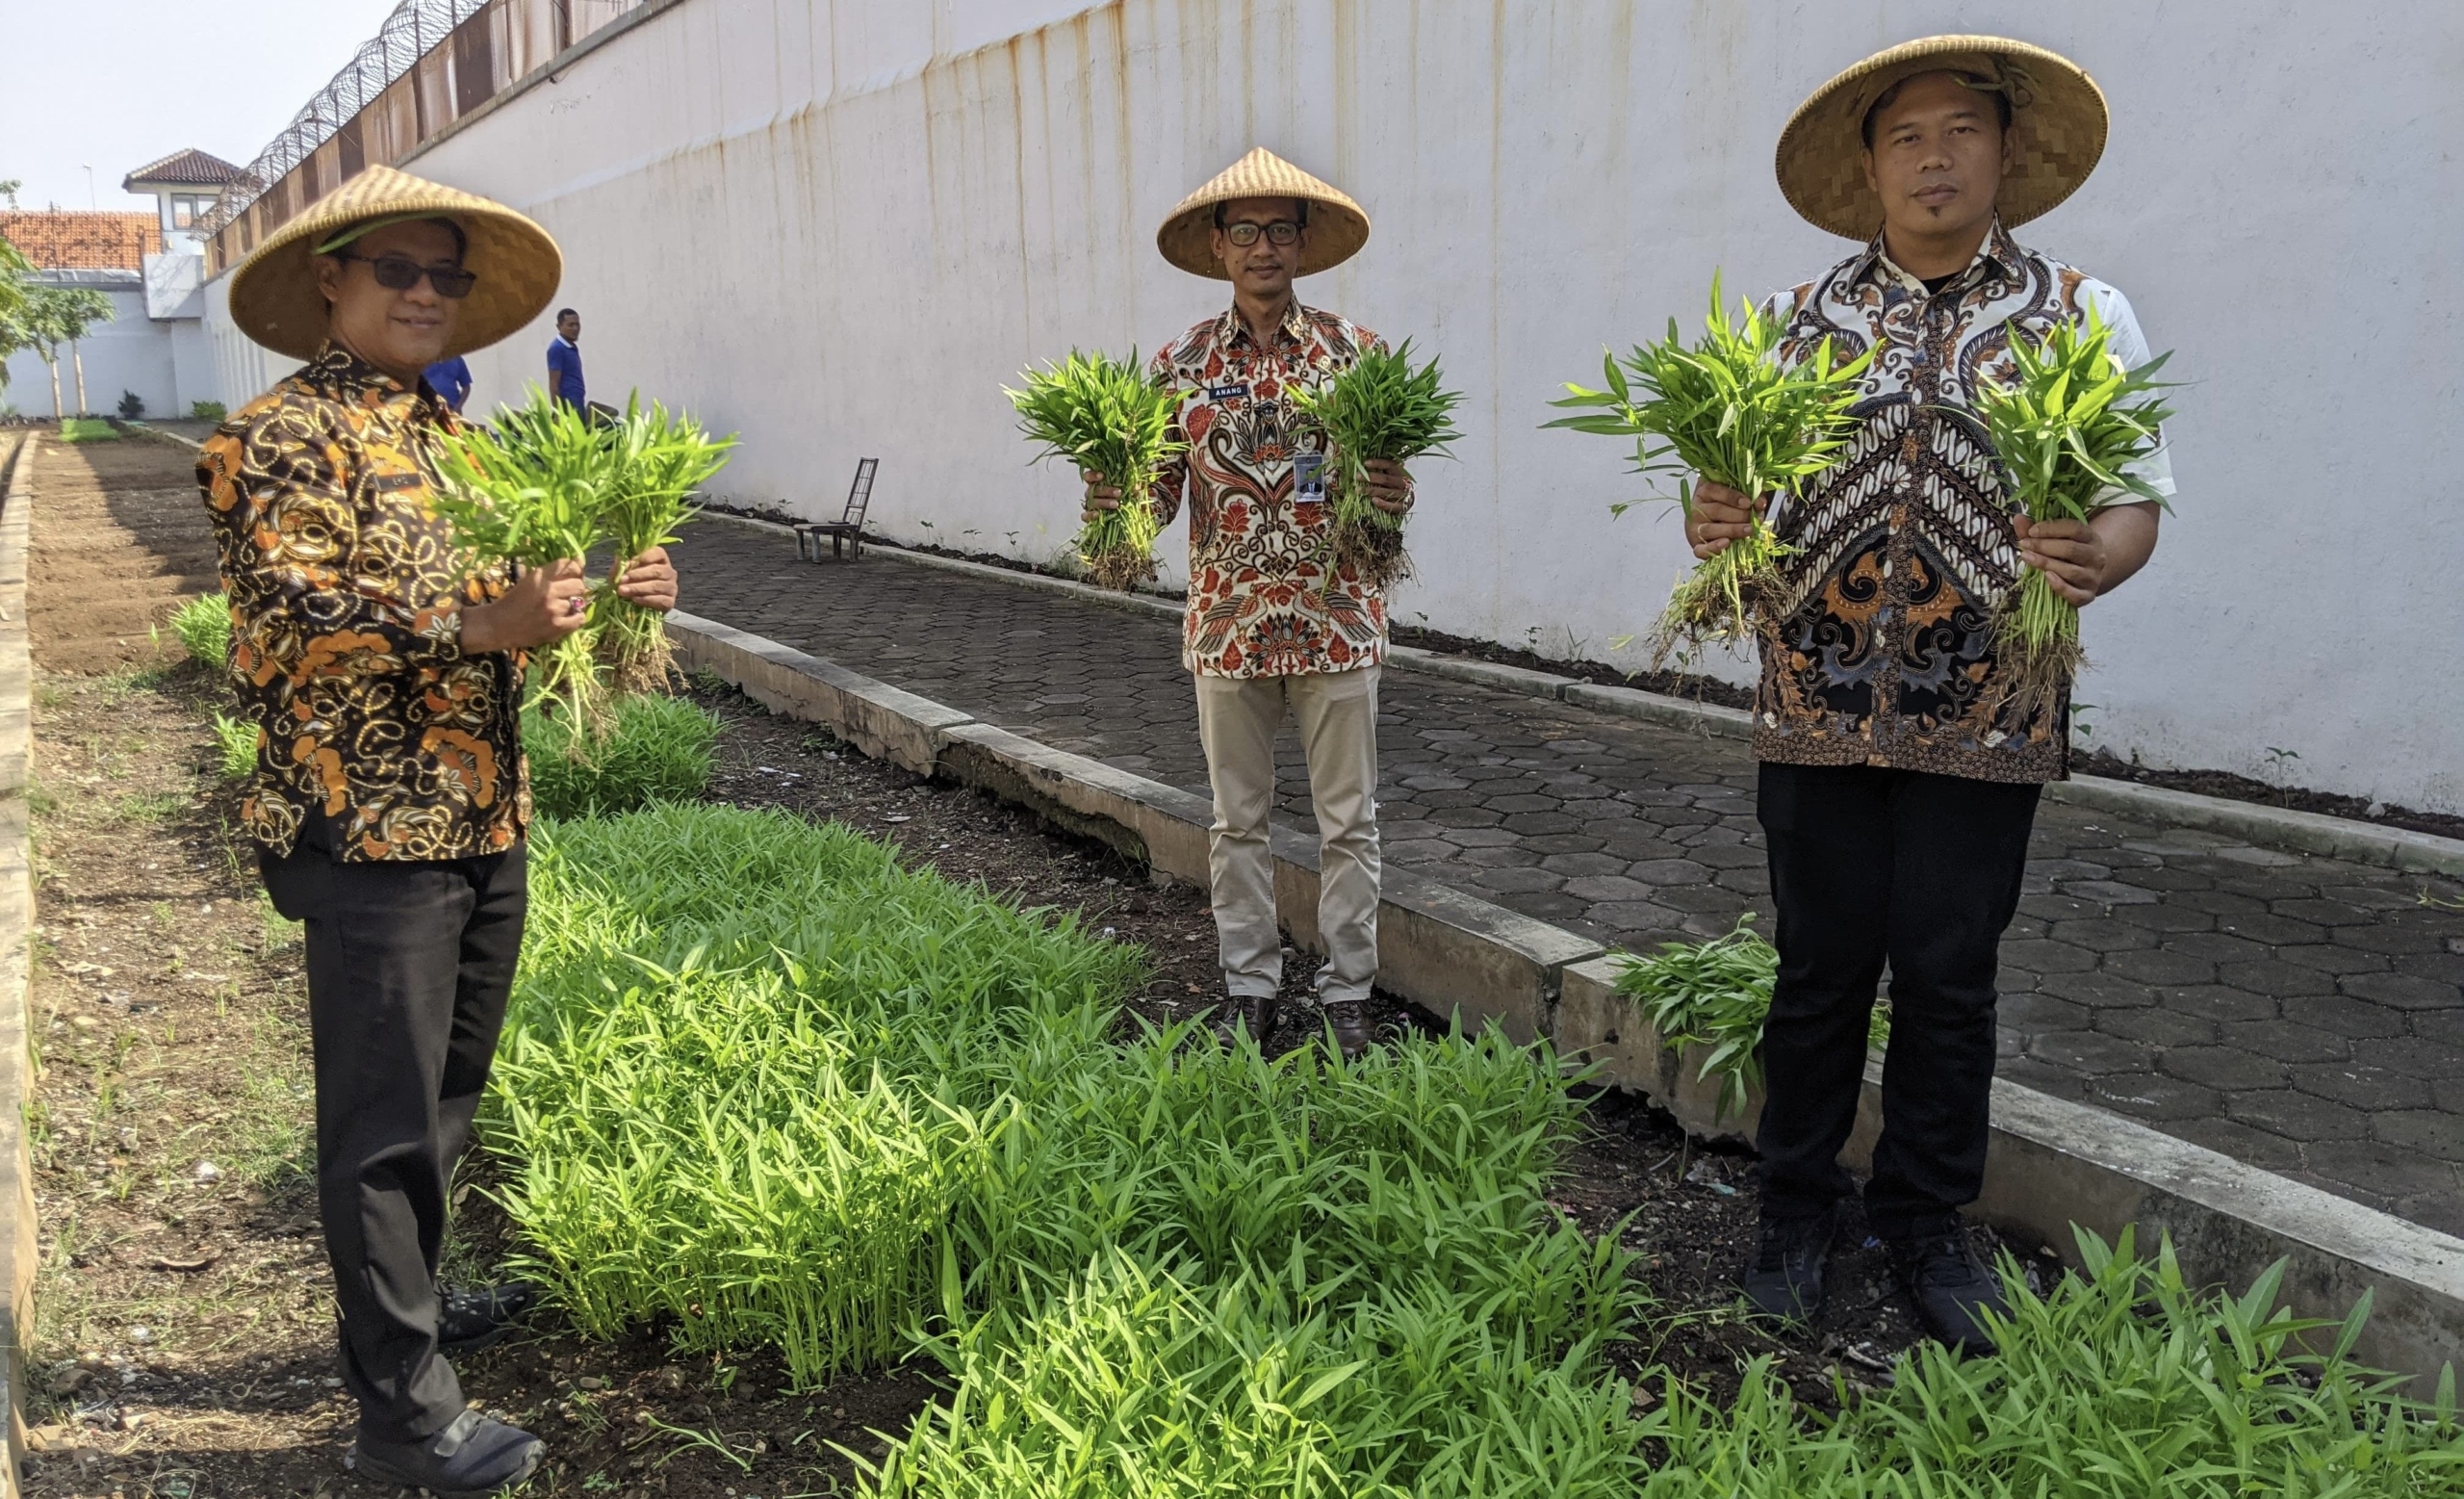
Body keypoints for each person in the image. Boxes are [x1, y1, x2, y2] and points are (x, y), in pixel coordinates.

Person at [1683, 38, 2172, 1356]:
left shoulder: (2084, 312)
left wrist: (2094, 560)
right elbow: (1723, 501)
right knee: (1818, 969)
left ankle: (1924, 1224)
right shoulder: (1789, 324)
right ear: (1870, 164)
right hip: (1816, 701)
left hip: (1988, 705)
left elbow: (2134, 505)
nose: (1937, 155)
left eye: (1964, 130)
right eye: (1909, 135)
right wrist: (1712, 514)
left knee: (1951, 978)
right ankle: (1795, 1212)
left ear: (2010, 153)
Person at [199, 165, 680, 1494]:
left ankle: (416, 1297)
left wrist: (619, 590)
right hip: (367, 829)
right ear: (330, 282)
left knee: (445, 1096)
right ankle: (403, 1421)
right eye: (397, 270)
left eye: (445, 276)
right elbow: (287, 627)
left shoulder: (456, 436)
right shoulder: (280, 436)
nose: (424, 294)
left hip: (478, 810)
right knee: (379, 1120)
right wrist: (480, 625)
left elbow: (523, 600)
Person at [1085, 148, 1414, 1059]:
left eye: (1279, 230)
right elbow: (1152, 498)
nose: (1263, 247)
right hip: (1227, 628)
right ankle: (1252, 987)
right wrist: (1111, 501)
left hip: (1338, 620)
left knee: (1350, 823)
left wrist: (1389, 493)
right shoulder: (1179, 364)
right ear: (1219, 246)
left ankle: (1349, 992)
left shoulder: (1359, 357)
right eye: (1245, 231)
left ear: (1304, 244)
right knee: (1238, 824)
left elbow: (1392, 492)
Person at [546, 306, 583, 408]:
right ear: (559, 326)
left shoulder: (571, 347)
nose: (575, 328)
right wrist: (559, 412)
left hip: (577, 401)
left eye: (577, 324)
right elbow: (553, 383)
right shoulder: (557, 348)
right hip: (567, 405)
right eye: (571, 325)